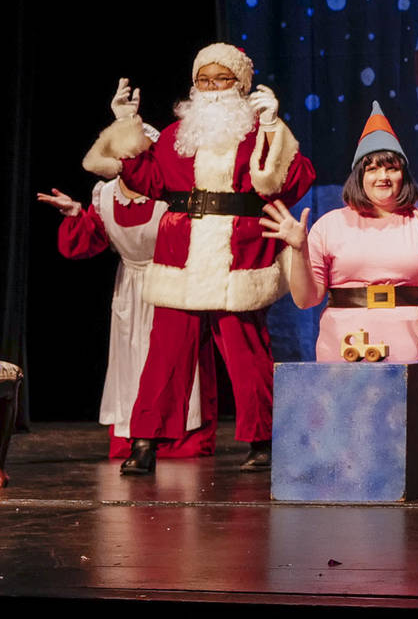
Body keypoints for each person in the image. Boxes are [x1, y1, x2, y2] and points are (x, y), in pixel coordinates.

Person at [87, 47, 316, 475]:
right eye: (204, 80)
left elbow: (289, 182)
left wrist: (272, 127)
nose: (211, 88)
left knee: (248, 353)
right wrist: (126, 125)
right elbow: (148, 180)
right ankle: (145, 442)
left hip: (238, 251)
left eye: (221, 79)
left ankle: (264, 441)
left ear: (241, 85)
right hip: (183, 251)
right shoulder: (178, 134)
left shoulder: (258, 131)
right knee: (165, 356)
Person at [41, 86, 213, 460]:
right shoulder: (104, 195)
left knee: (173, 361)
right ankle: (131, 433)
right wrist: (75, 214)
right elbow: (90, 240)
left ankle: (178, 434)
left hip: (170, 281)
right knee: (130, 361)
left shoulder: (170, 193)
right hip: (130, 291)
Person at [260, 103, 418, 363]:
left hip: (412, 345)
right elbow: (305, 300)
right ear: (359, 176)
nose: (383, 176)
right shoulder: (330, 225)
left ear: (403, 175)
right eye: (372, 169)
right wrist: (299, 250)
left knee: (406, 391)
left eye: (392, 168)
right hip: (344, 345)